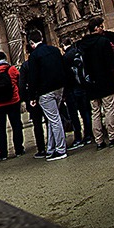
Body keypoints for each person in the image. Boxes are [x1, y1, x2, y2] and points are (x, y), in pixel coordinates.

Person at [81, 15, 114, 149]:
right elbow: (110, 61)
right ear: (96, 28)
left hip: (92, 84)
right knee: (109, 109)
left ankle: (99, 140)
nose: (102, 29)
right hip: (105, 80)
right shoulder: (103, 42)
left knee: (95, 112)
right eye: (101, 26)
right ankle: (112, 136)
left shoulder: (84, 45)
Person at [25, 29, 69, 161]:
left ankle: (61, 149)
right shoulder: (55, 50)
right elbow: (63, 68)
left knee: (54, 120)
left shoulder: (34, 56)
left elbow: (33, 78)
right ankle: (51, 148)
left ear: (31, 43)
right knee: (51, 120)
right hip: (59, 88)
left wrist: (32, 96)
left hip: (45, 92)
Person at [61, 37, 93, 148]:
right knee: (86, 112)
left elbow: (65, 75)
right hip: (83, 86)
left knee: (74, 115)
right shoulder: (79, 52)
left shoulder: (65, 57)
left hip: (71, 89)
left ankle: (78, 136)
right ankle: (89, 134)